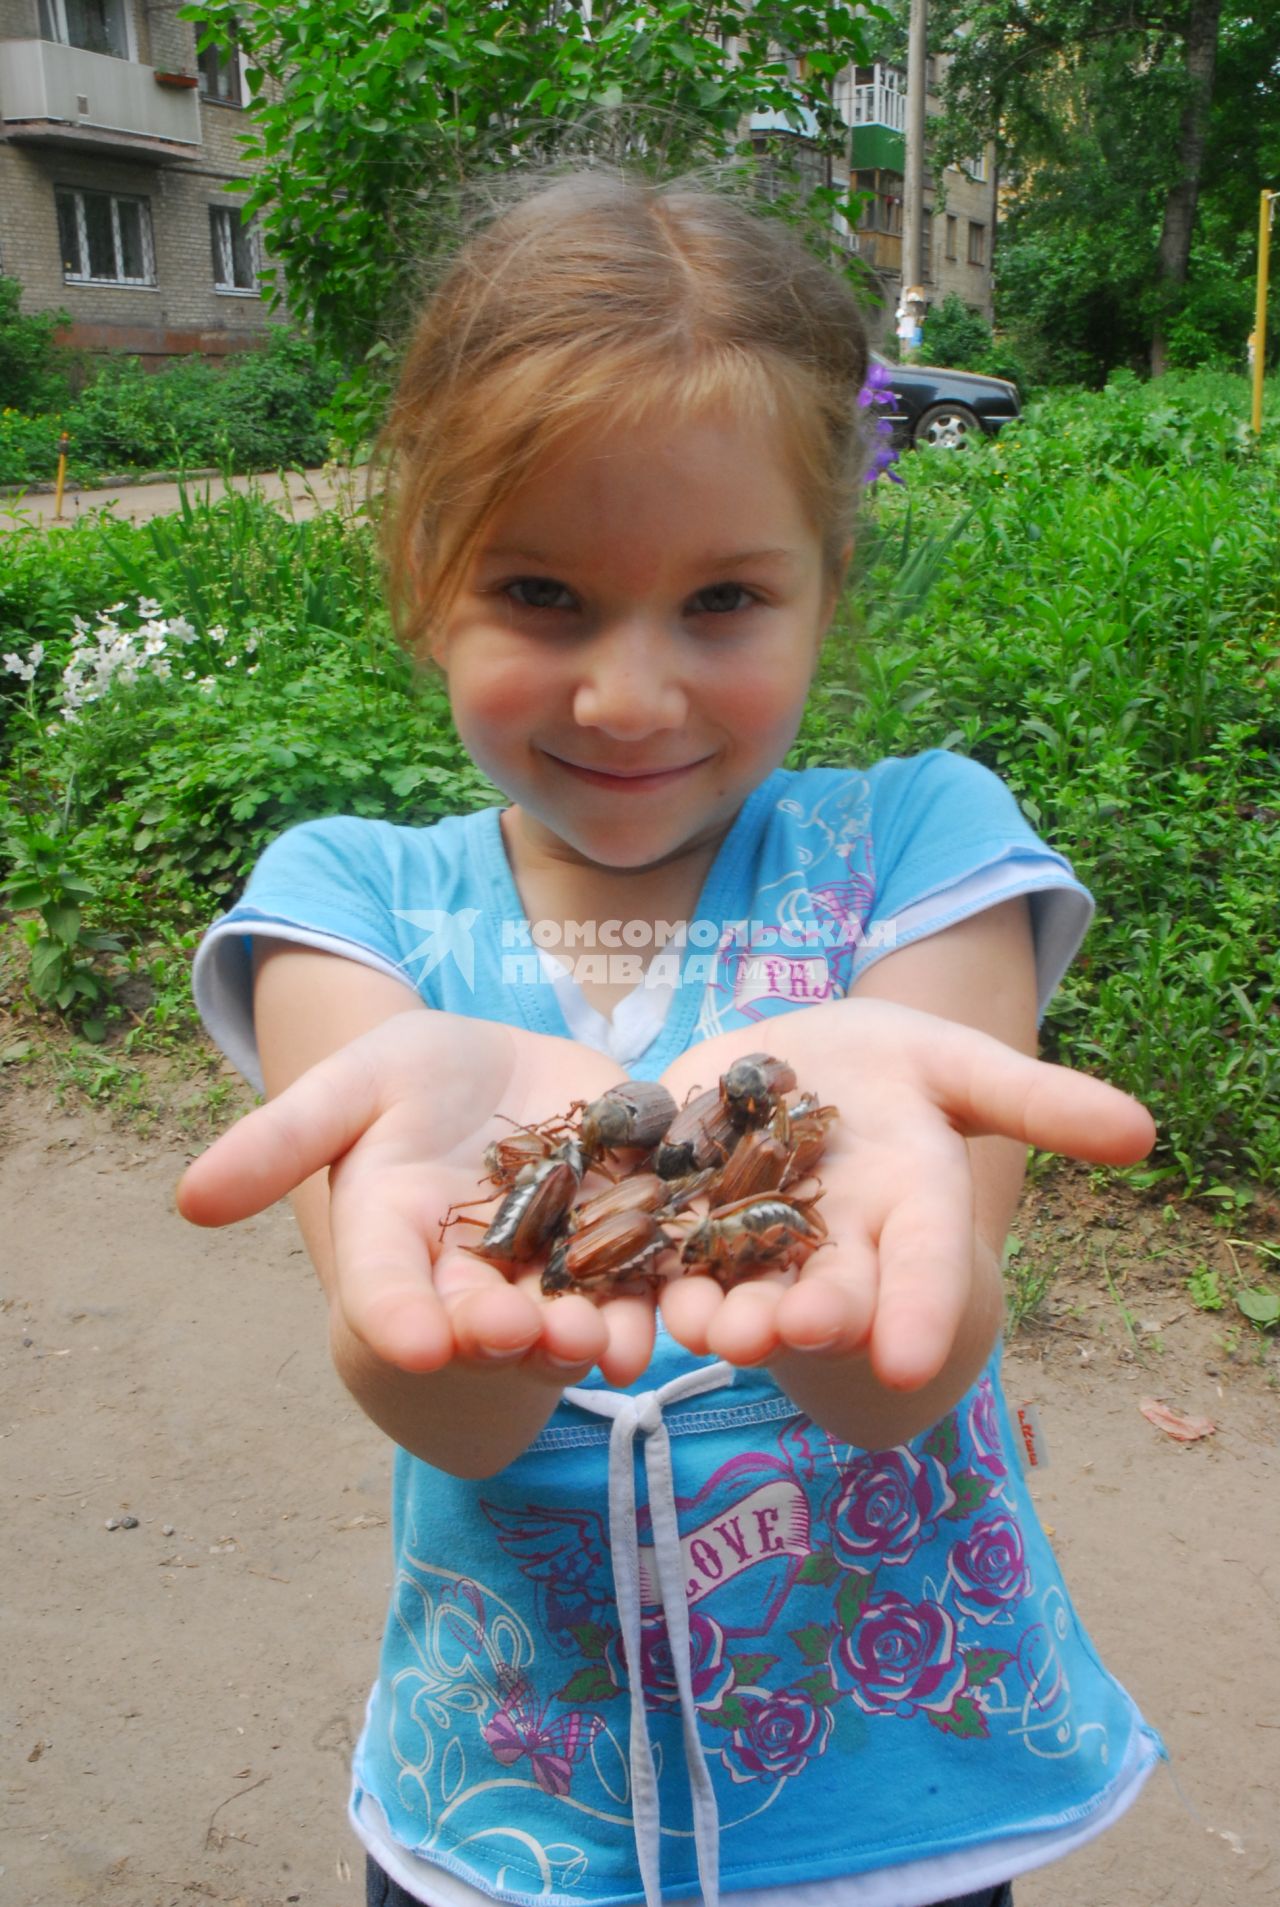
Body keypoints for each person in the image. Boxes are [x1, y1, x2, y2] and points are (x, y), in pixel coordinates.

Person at [180, 170, 1163, 1907]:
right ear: (423, 579)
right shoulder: (342, 903)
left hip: (892, 1819)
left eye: (723, 602)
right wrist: (519, 1217)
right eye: (543, 594)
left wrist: (820, 1234)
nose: (629, 697)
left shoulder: (927, 849)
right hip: (509, 1820)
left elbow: (895, 1374)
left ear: (822, 590)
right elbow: (453, 1409)